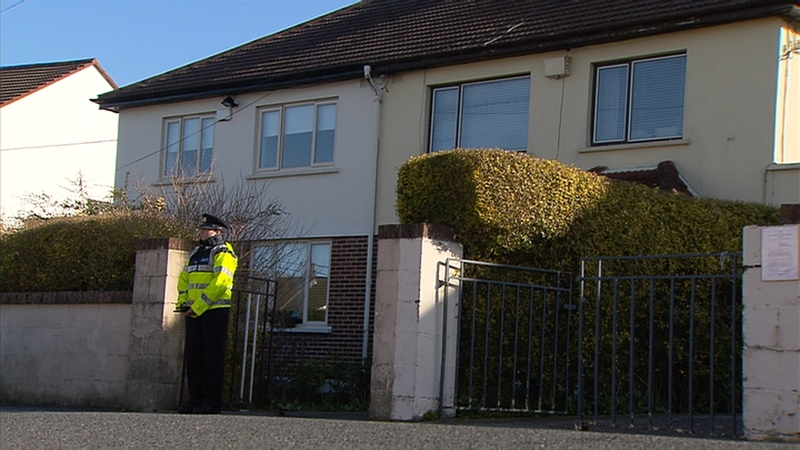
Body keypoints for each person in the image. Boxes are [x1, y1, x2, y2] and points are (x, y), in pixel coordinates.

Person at [176, 213, 238, 414]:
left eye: (206, 230)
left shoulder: (224, 253)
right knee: (194, 358)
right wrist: (183, 303)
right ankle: (195, 399)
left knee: (212, 358)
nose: (202, 233)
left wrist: (198, 306)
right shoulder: (196, 253)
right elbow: (184, 280)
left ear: (218, 232)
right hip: (195, 312)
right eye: (202, 230)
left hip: (215, 311)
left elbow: (221, 282)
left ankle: (211, 402)